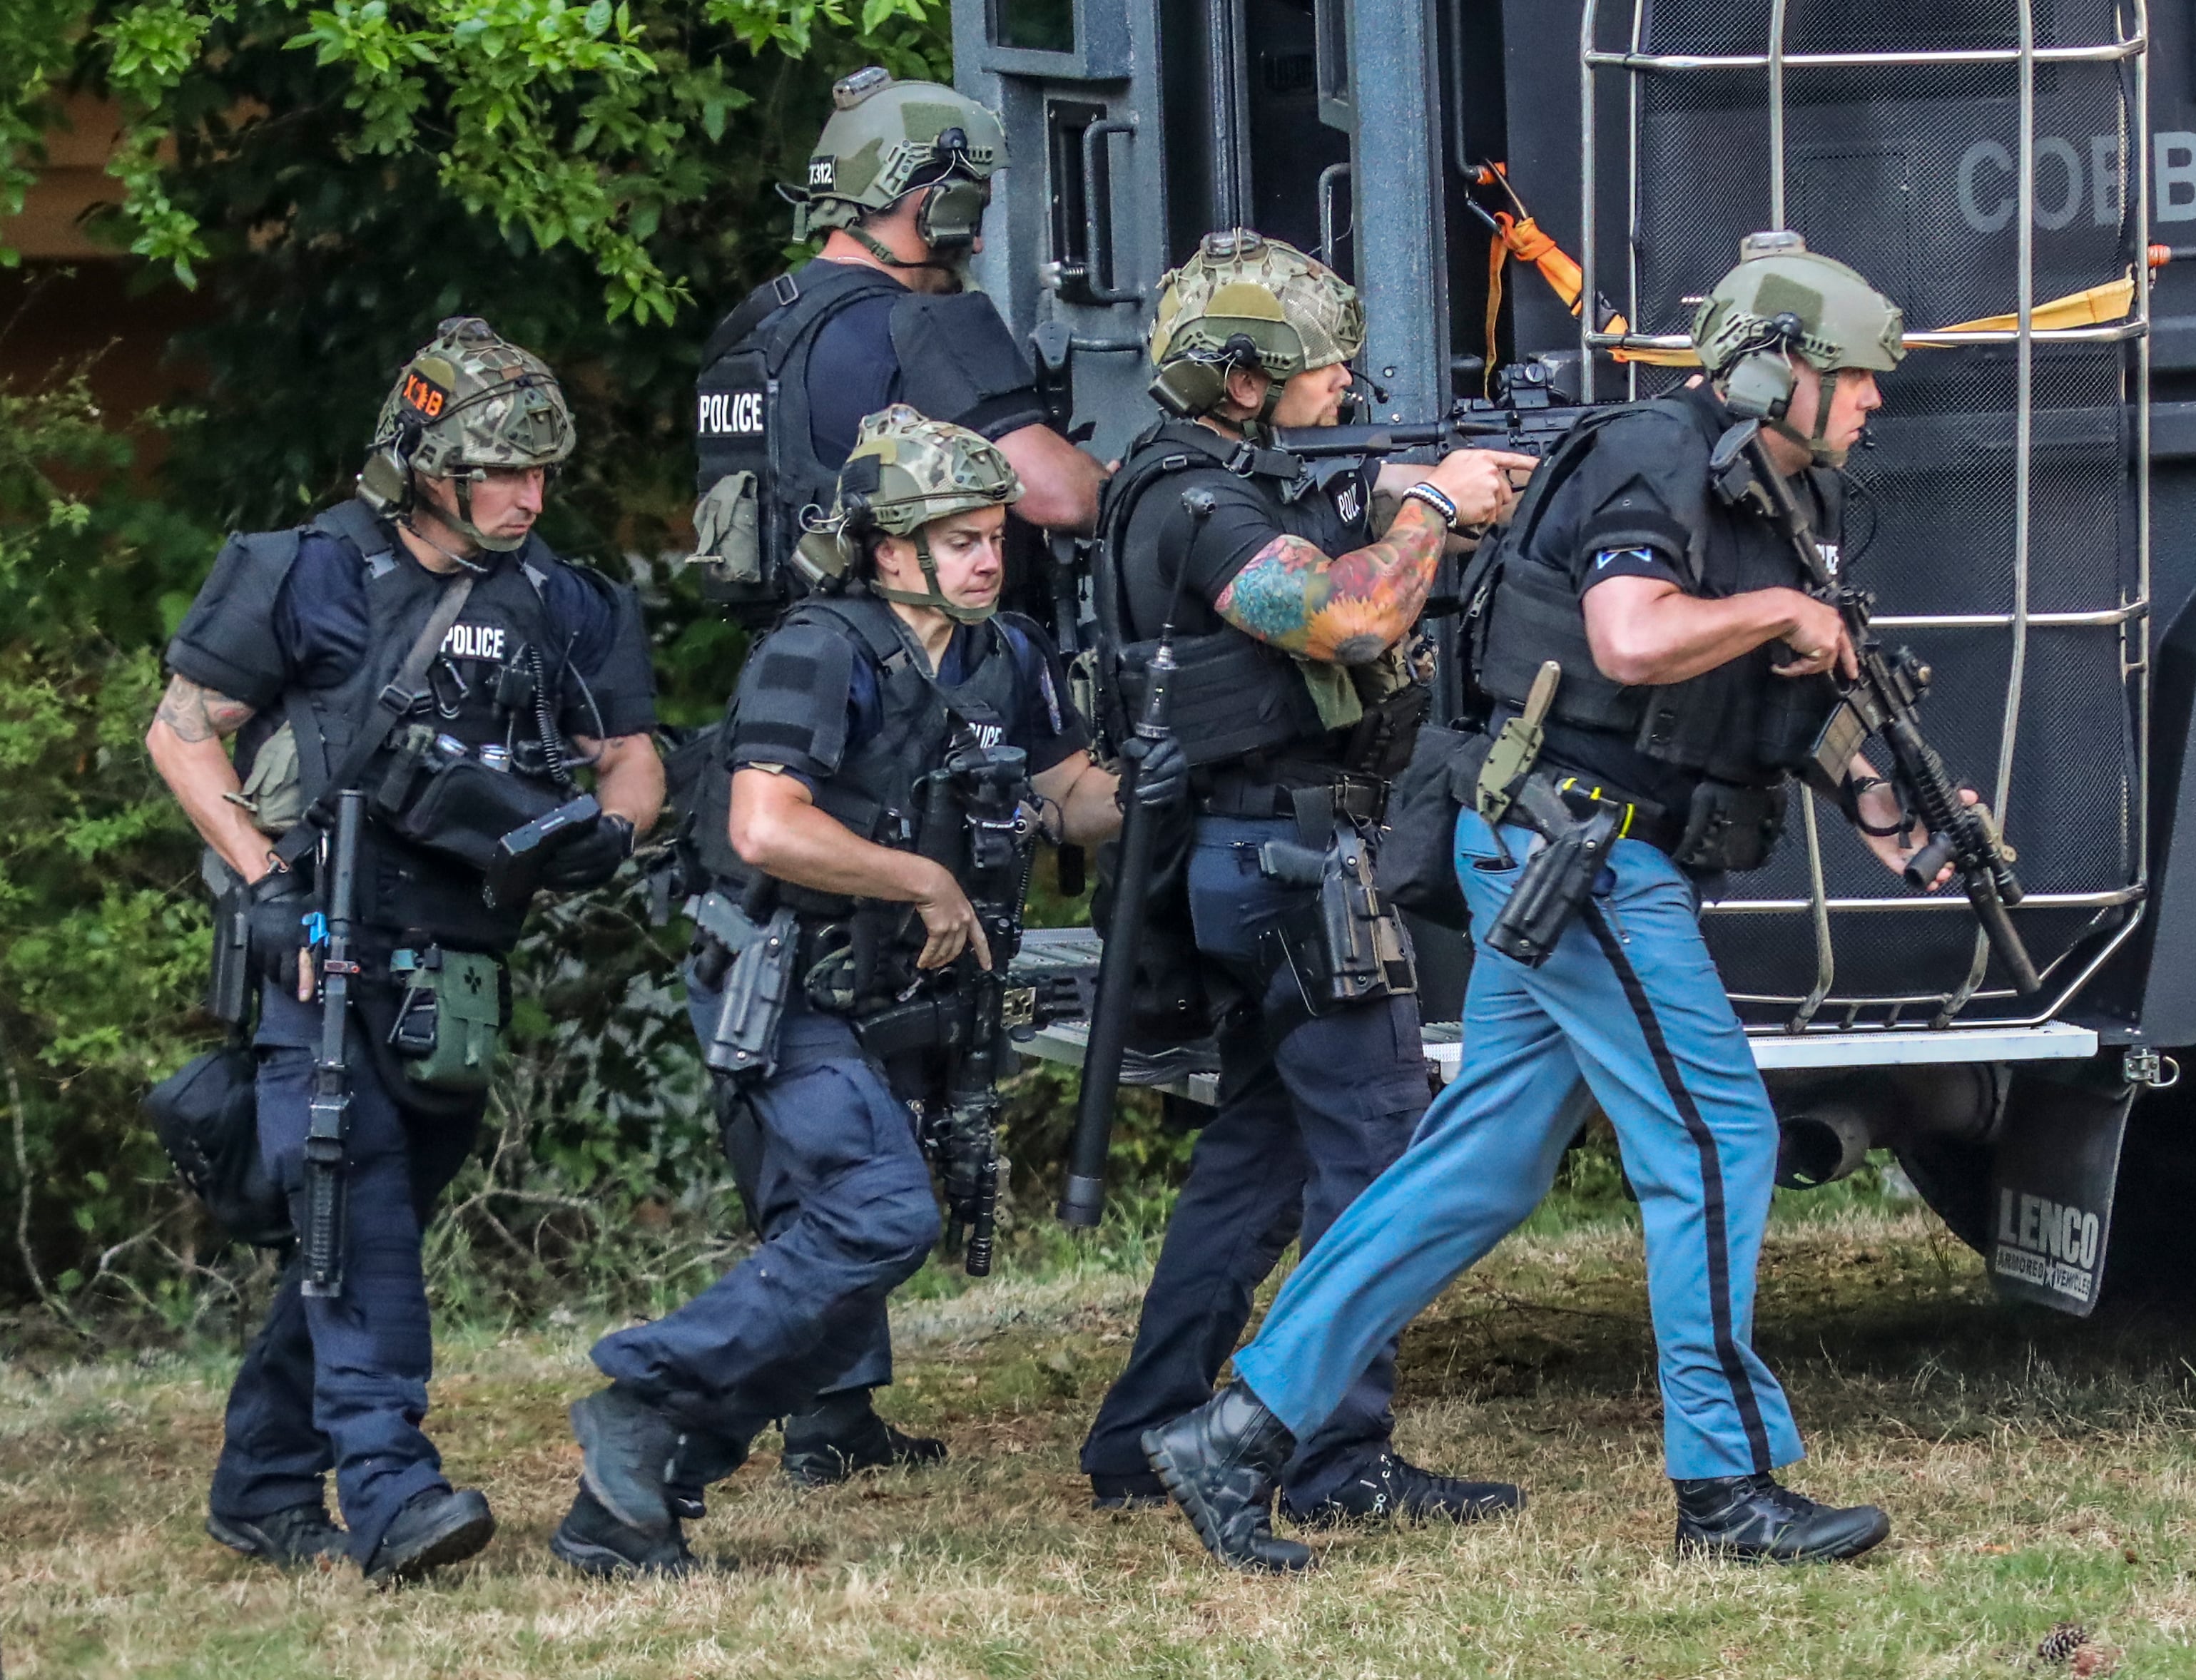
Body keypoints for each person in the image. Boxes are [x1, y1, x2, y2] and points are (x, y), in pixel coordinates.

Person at [1143, 233, 1971, 1571]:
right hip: (1575, 847)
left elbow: (1767, 708)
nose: (1878, 401)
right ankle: (1727, 1487)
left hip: (1580, 847)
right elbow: (1631, 638)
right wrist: (1773, 615)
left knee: (1479, 1169)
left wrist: (1895, 818)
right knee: (1716, 1142)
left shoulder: (1770, 495)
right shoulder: (1649, 457)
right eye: (1860, 376)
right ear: (1777, 375)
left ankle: (1233, 1434)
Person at [556, 407, 1183, 1576]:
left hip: (899, 995)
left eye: (996, 536)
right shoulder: (820, 648)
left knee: (842, 1265)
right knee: (879, 1218)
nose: (991, 559)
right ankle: (642, 1394)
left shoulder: (1006, 655)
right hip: (786, 980)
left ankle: (634, 1494)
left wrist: (1152, 780)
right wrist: (925, 880)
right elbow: (765, 823)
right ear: (892, 551)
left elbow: (1065, 799)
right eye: (961, 541)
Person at [150, 317, 662, 1583]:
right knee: (355, 1208)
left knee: (369, 1227)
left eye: (541, 473)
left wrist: (610, 832)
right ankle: (391, 1494)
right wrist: (265, 883)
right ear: (422, 463)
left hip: (465, 969)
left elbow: (636, 754)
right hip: (319, 951)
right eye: (498, 471)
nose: (527, 496)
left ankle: (264, 1485)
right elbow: (180, 732)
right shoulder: (303, 569)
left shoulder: (568, 598)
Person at [1073, 229, 1532, 1547]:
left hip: (1242, 857)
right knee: (1378, 1147)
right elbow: (1349, 623)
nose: (1346, 386)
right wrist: (1431, 507)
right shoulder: (1198, 503)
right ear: (1240, 380)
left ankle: (1139, 1434)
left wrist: (1399, 487)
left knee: (1259, 1156)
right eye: (1325, 368)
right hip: (1284, 862)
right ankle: (1333, 1456)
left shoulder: (1198, 476)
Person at [691, 66, 1102, 626]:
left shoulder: (753, 330)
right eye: (974, 210)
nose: (978, 241)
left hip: (793, 674)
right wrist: (1132, 491)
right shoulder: (920, 323)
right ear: (939, 206)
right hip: (923, 684)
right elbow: (1060, 497)